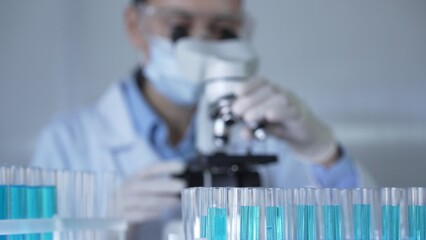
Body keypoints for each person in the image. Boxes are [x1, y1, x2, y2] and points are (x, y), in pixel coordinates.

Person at [32, 0, 375, 239]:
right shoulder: (68, 141)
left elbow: (368, 229)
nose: (203, 42)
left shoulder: (266, 130)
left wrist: (322, 152)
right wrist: (98, 228)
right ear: (135, 25)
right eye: (180, 27)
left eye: (223, 29)